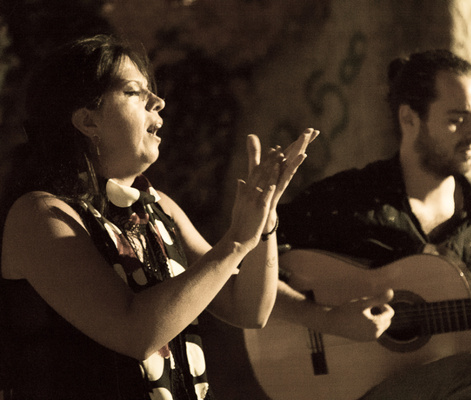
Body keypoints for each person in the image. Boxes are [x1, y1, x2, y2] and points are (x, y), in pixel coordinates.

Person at [0, 34, 318, 400]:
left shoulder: (159, 206)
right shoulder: (40, 215)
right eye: (134, 92)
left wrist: (265, 220)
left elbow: (247, 308)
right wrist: (233, 242)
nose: (159, 101)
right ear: (88, 121)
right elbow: (135, 332)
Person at [270, 49, 471, 399]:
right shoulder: (348, 199)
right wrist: (325, 318)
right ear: (409, 119)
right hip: (365, 389)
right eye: (458, 119)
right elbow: (250, 272)